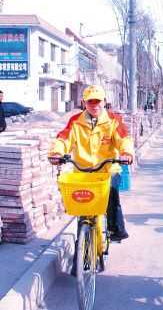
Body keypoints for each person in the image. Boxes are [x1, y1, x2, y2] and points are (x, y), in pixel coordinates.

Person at [48, 85, 134, 275]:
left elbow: (124, 139)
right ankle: (82, 257)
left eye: (98, 101)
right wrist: (57, 152)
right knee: (83, 209)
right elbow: (63, 139)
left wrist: (126, 152)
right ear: (84, 103)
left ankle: (114, 228)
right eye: (90, 102)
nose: (94, 105)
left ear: (104, 102)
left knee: (111, 195)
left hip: (107, 169)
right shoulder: (75, 121)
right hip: (84, 171)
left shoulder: (113, 120)